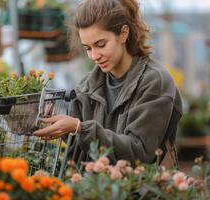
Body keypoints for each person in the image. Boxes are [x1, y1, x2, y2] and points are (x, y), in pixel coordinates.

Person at [34, 0, 183, 167]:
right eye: (88, 48)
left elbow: (140, 152)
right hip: (95, 189)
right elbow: (78, 156)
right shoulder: (86, 86)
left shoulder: (154, 81)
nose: (94, 56)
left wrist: (81, 128)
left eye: (101, 45)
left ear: (123, 34)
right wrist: (63, 129)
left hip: (141, 191)